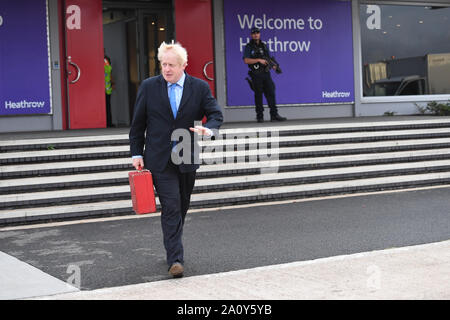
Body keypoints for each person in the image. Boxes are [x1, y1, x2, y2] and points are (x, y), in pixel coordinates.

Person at [129, 42, 223, 278]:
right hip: (158, 158)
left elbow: (215, 114)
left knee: (181, 206)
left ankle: (172, 245)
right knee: (171, 206)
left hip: (187, 154)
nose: (166, 69)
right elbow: (138, 124)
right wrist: (137, 153)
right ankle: (175, 259)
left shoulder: (199, 87)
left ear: (183, 65)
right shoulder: (150, 87)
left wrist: (208, 130)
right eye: (163, 64)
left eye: (171, 65)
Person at [243, 27, 286, 123]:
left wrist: (273, 66)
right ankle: (260, 116)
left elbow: (268, 58)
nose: (256, 35)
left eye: (257, 33)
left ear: (259, 34)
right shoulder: (249, 46)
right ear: (251, 35)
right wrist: (258, 60)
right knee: (258, 95)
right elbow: (246, 60)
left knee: (271, 92)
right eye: (254, 33)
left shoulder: (264, 46)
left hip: (266, 73)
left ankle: (274, 115)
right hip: (256, 74)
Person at [104, 53, 114, 127]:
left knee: (107, 106)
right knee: (107, 106)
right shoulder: (106, 60)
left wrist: (113, 83)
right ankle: (108, 123)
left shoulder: (104, 60)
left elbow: (110, 73)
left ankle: (108, 123)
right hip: (107, 87)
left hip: (106, 87)